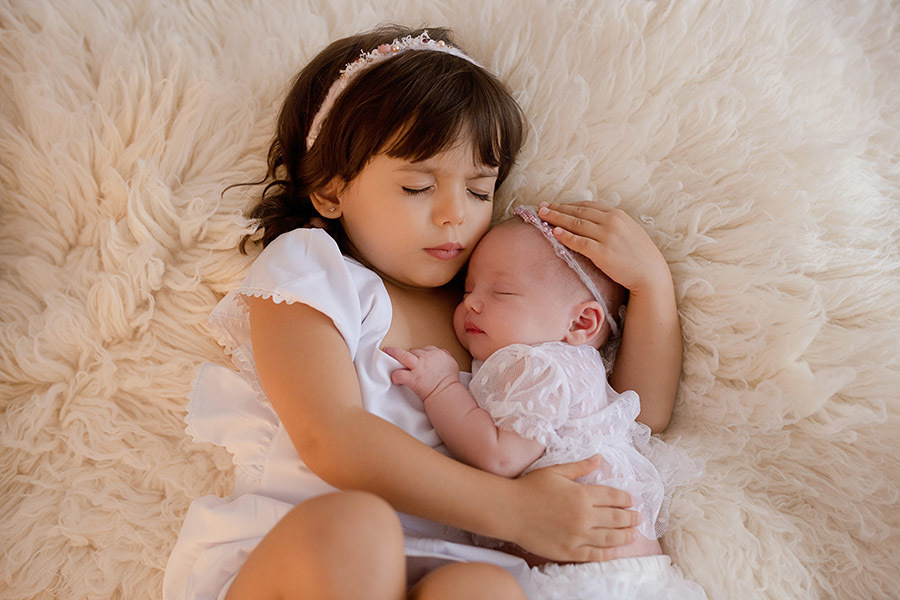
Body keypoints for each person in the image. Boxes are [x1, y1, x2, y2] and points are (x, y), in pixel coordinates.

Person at [163, 25, 684, 600]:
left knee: (483, 587)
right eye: (417, 186)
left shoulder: (489, 309)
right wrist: (514, 511)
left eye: (480, 190)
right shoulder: (315, 272)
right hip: (309, 549)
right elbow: (329, 434)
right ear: (332, 192)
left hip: (452, 558)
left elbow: (631, 414)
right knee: (359, 529)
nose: (453, 216)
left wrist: (652, 286)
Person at [386, 206, 706, 598]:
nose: (471, 304)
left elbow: (502, 457)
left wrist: (440, 388)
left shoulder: (535, 365)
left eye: (501, 292)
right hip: (632, 574)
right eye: (468, 290)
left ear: (581, 324)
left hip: (587, 579)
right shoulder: (581, 369)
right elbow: (647, 408)